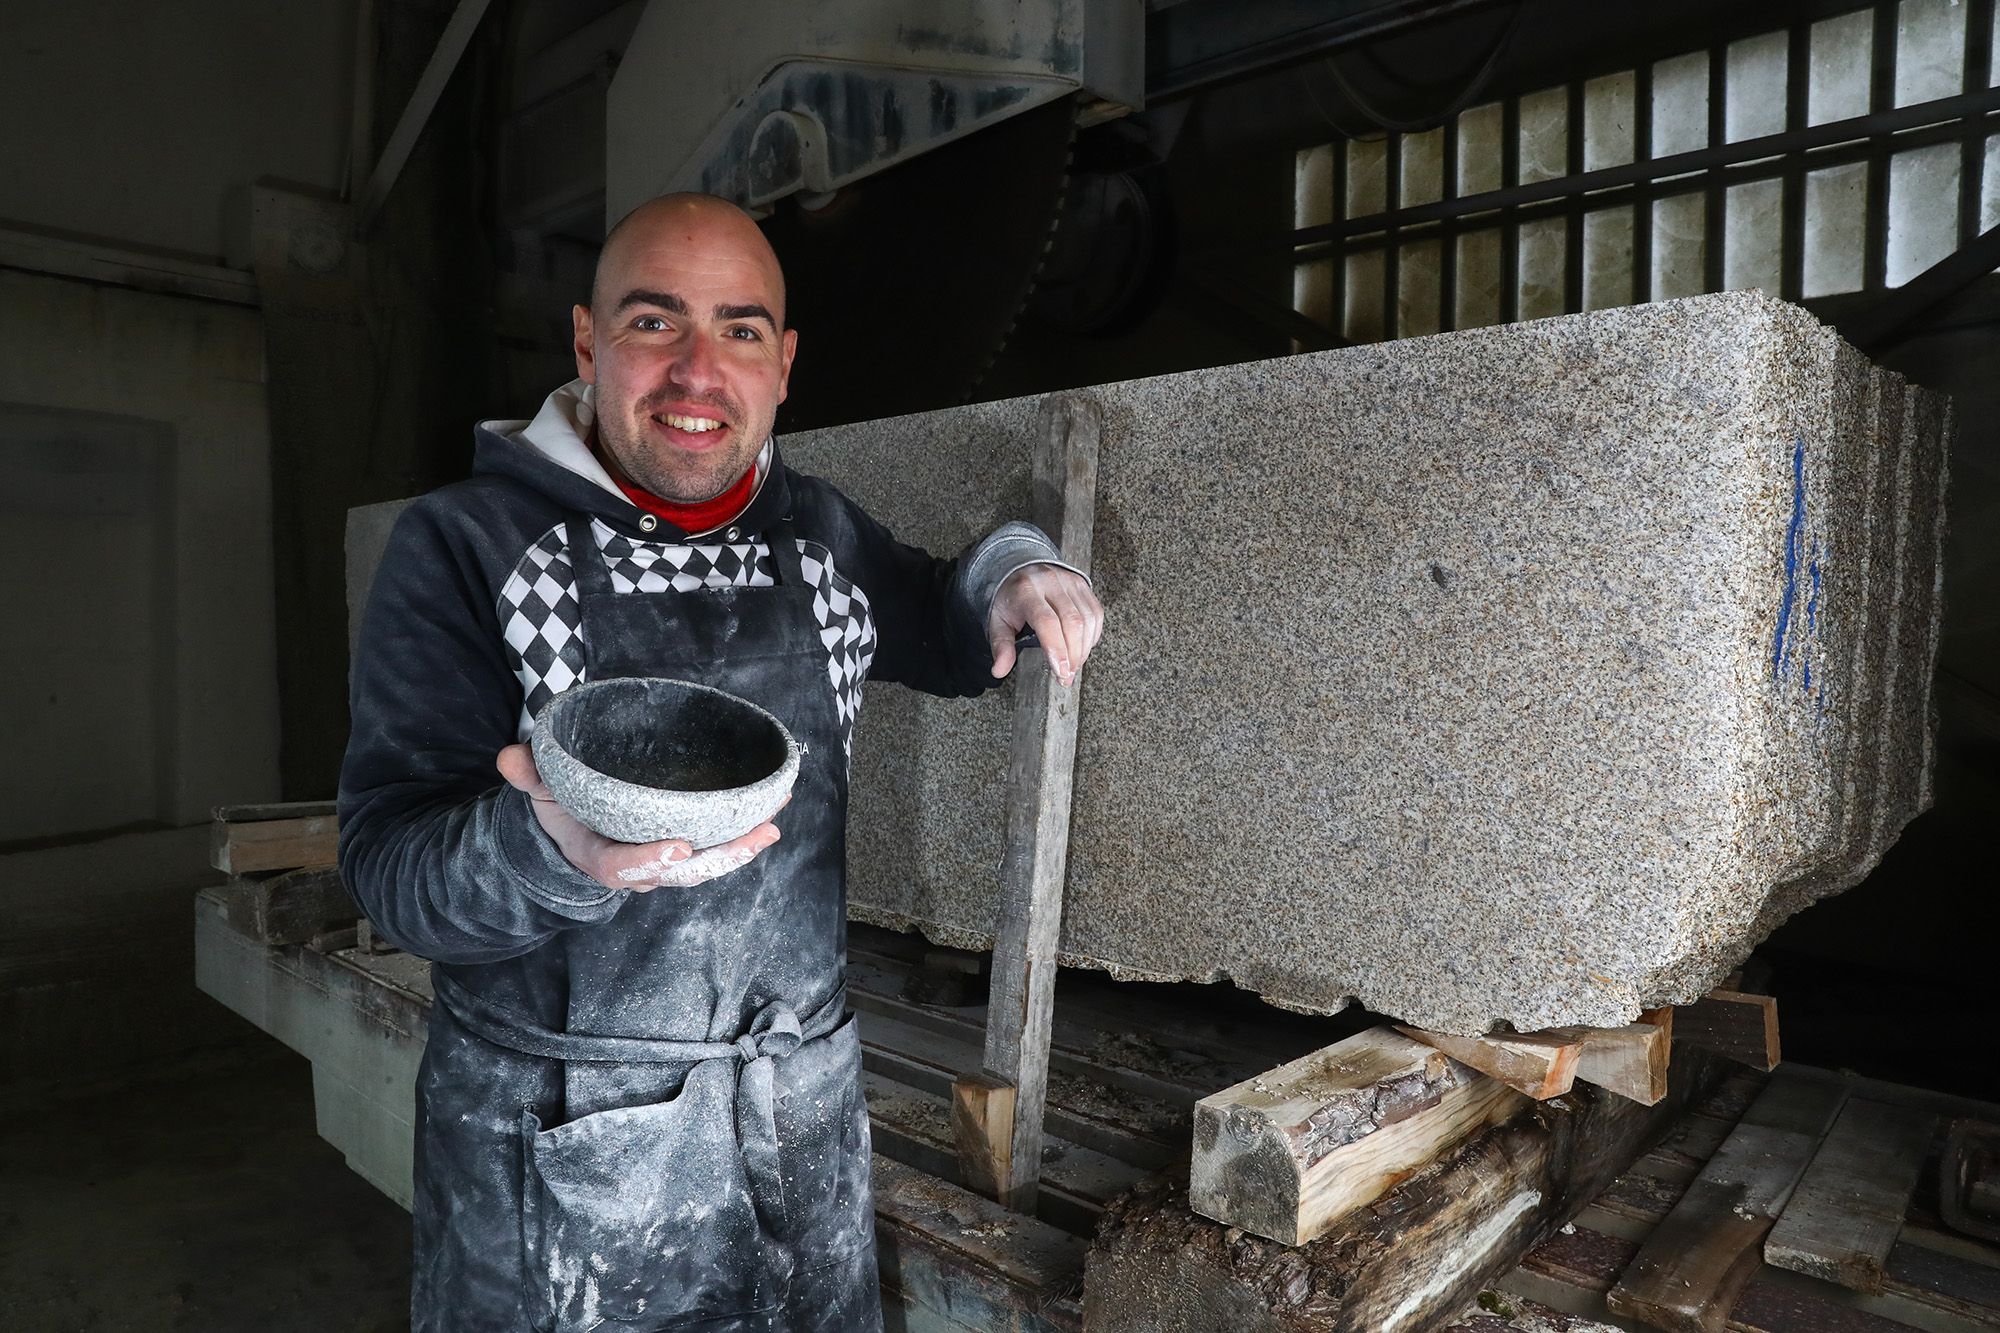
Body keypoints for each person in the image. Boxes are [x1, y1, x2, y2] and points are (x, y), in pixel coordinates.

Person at [337, 192, 1104, 1333]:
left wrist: (1016, 566)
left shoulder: (821, 540)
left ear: (783, 364)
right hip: (556, 1154)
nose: (698, 371)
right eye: (654, 324)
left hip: (795, 1123)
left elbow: (953, 622)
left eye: (739, 331)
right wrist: (551, 853)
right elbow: (388, 865)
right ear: (589, 344)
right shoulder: (467, 545)